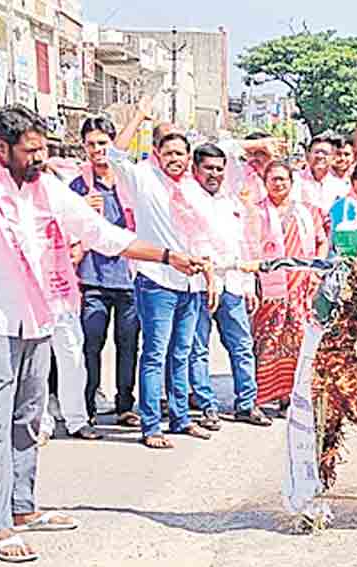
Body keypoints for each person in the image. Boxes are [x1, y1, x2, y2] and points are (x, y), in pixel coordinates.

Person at [0, 104, 202, 561]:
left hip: (37, 315)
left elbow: (100, 233)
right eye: (30, 150)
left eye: (43, 149)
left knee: (29, 418)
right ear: (1, 148)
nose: (39, 157)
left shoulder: (45, 187)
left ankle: (24, 507)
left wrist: (167, 256)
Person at [109, 97, 217, 449]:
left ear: (189, 157)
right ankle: (151, 425)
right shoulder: (143, 179)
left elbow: (203, 238)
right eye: (168, 152)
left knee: (181, 352)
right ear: (156, 152)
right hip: (156, 282)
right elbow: (114, 155)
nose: (175, 159)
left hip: (190, 284)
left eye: (180, 154)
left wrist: (210, 278)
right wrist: (139, 115)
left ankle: (182, 419)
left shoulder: (193, 190)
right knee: (154, 353)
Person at [187, 143, 271, 427]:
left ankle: (246, 404)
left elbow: (243, 244)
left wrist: (248, 283)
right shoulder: (187, 197)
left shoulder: (231, 202)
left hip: (233, 282)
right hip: (198, 283)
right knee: (198, 347)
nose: (214, 174)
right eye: (208, 168)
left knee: (242, 345)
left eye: (219, 169)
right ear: (195, 169)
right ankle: (206, 406)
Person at [70, 116, 141, 428]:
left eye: (102, 143)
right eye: (91, 144)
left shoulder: (130, 181)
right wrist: (82, 207)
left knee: (128, 344)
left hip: (129, 278)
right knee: (91, 344)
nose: (97, 150)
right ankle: (87, 406)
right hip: (92, 279)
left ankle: (125, 404)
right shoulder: (78, 185)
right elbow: (63, 225)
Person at [251, 159, 329, 411]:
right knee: (268, 341)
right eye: (272, 179)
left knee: (298, 341)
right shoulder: (256, 212)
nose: (278, 183)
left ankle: (291, 397)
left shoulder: (308, 212)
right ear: (265, 183)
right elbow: (248, 246)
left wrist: (317, 271)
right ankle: (264, 395)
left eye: (282, 178)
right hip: (268, 290)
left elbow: (322, 242)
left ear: (291, 182)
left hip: (300, 288)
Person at [294, 136, 350, 215]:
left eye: (325, 153)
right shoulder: (294, 180)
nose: (320, 156)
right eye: (316, 152)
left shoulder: (340, 187)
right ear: (308, 155)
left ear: (333, 157)